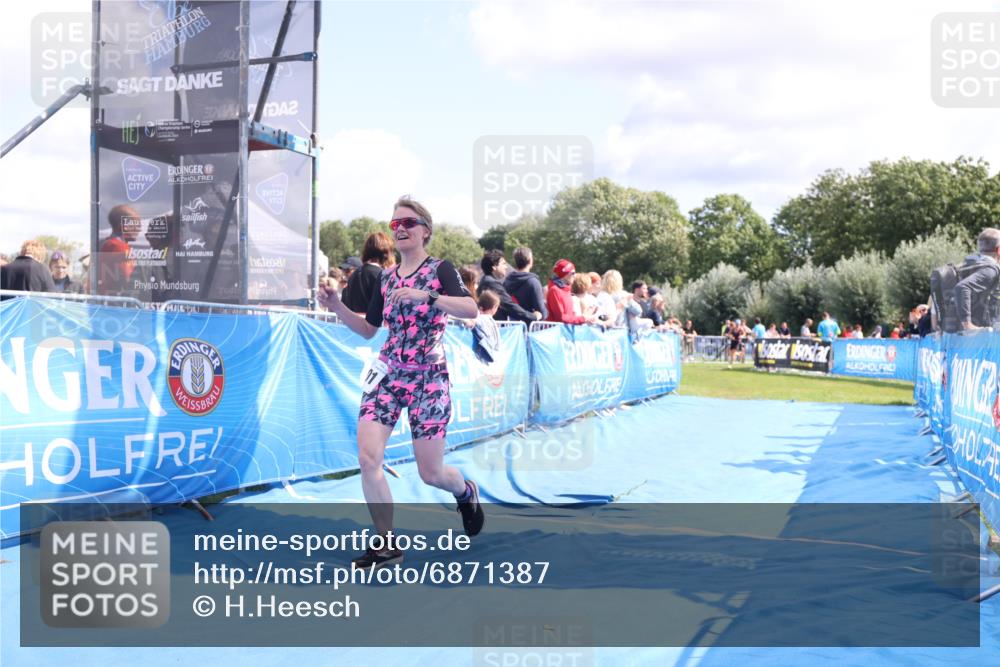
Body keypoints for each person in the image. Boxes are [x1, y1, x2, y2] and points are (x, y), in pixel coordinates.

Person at [317, 196, 483, 569]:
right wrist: (336, 307)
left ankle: (464, 491)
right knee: (368, 456)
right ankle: (387, 543)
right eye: (395, 224)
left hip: (429, 377)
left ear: (425, 230)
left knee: (431, 473)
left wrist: (429, 296)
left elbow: (470, 310)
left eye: (408, 222)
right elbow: (367, 329)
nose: (401, 229)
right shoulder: (387, 278)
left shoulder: (441, 270)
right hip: (389, 374)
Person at [478, 249, 541, 324]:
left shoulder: (486, 281)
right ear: (494, 266)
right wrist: (533, 317)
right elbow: (510, 306)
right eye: (503, 264)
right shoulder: (492, 284)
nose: (506, 267)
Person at [955, 228, 1000, 331]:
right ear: (998, 249)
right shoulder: (991, 269)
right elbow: (962, 287)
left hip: (960, 335)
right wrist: (968, 325)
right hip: (983, 336)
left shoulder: (968, 265)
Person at [343, 232, 395, 313]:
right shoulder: (382, 276)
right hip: (375, 324)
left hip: (352, 323)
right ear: (386, 253)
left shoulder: (354, 275)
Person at [97, 204, 141, 294]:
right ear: (124, 226)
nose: (139, 229)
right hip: (117, 301)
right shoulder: (120, 247)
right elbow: (128, 278)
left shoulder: (103, 243)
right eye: (136, 224)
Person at [546, 259, 597, 325]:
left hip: (566, 331)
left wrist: (586, 318)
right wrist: (583, 318)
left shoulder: (566, 290)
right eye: (573, 273)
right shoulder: (554, 290)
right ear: (564, 275)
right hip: (557, 332)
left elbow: (570, 315)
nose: (575, 276)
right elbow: (561, 318)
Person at [503, 246, 548, 320]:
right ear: (530, 261)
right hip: (528, 328)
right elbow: (541, 312)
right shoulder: (533, 282)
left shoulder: (507, 281)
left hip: (510, 328)